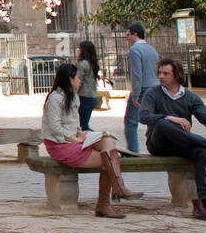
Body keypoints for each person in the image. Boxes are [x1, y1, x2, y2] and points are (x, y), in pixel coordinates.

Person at [141, 58, 206, 220]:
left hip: (182, 142)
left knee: (205, 155)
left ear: (176, 75)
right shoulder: (152, 93)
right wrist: (172, 118)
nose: (161, 76)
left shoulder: (190, 97)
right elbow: (144, 116)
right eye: (159, 73)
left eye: (166, 73)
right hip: (159, 143)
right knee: (163, 123)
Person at [40, 63, 142, 218]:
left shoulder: (73, 96)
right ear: (70, 79)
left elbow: (74, 123)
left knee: (107, 141)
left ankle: (115, 192)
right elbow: (55, 127)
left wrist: (80, 133)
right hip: (60, 144)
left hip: (73, 139)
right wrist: (74, 138)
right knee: (109, 158)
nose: (80, 81)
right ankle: (106, 201)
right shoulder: (55, 98)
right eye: (78, 78)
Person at [124, 23, 160, 153]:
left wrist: (135, 95)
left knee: (130, 121)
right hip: (155, 87)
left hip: (143, 89)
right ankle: (155, 147)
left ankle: (133, 151)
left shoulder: (135, 50)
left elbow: (137, 75)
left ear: (135, 34)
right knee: (152, 120)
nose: (127, 38)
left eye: (128, 34)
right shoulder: (152, 50)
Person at [76, 41, 101, 132]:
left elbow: (78, 80)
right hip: (93, 95)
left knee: (83, 125)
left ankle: (93, 139)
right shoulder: (93, 63)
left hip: (84, 95)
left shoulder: (82, 64)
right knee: (85, 123)